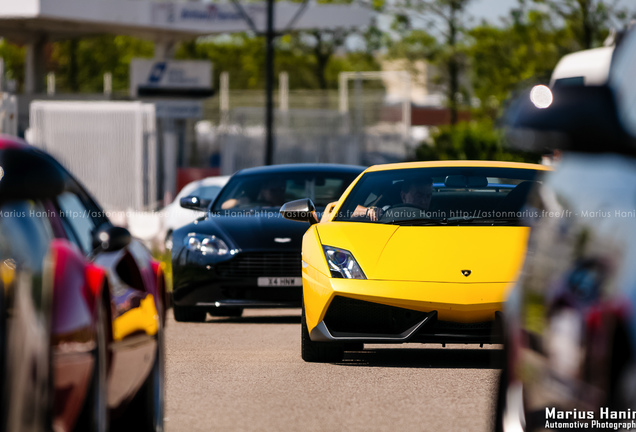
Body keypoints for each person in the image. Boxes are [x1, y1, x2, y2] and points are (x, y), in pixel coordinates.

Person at [355, 176, 433, 221]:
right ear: (403, 196)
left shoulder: (439, 216)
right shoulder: (386, 211)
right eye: (419, 196)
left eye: (428, 196)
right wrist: (368, 211)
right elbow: (347, 212)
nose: (424, 201)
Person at [221, 177, 286, 209]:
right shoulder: (251, 204)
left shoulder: (290, 205)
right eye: (273, 190)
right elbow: (223, 206)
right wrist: (238, 202)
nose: (278, 192)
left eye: (281, 189)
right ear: (263, 191)